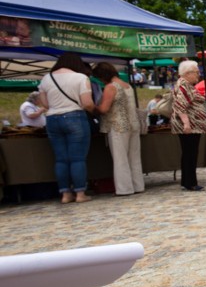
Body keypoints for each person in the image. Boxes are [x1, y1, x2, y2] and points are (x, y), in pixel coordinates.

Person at [38, 52, 96, 204]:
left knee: (61, 159)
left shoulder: (46, 78)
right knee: (77, 159)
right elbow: (87, 103)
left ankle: (65, 194)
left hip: (52, 119)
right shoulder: (81, 78)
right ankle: (80, 193)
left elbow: (45, 104)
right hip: (74, 116)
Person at [92, 62, 144, 196]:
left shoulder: (111, 87)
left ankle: (124, 188)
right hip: (133, 124)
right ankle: (138, 185)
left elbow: (104, 108)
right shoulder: (128, 85)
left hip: (118, 126)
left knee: (120, 159)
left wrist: (92, 107)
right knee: (134, 157)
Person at [171, 60, 206, 191]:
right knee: (190, 153)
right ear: (187, 73)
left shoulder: (186, 85)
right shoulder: (183, 85)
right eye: (196, 72)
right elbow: (181, 105)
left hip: (193, 125)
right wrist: (186, 123)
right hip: (189, 126)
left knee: (189, 153)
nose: (198, 74)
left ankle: (187, 181)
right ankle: (191, 182)